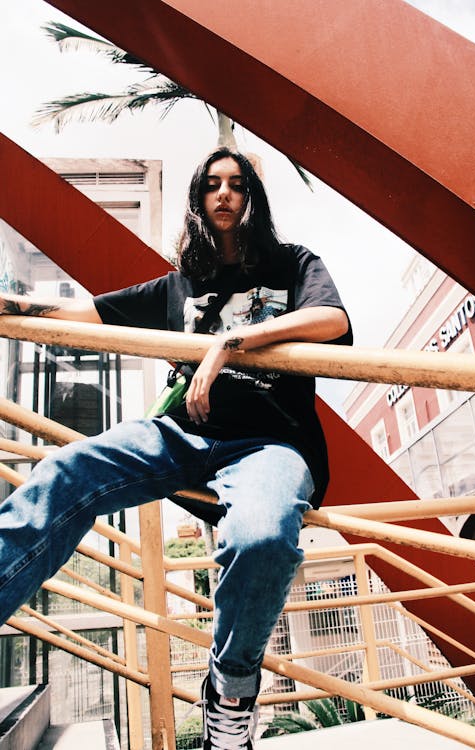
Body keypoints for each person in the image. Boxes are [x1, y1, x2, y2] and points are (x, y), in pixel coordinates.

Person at [0, 148, 352, 749]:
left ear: (252, 199)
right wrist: (9, 307)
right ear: (197, 199)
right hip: (183, 434)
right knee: (66, 469)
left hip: (271, 442)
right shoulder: (177, 287)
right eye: (211, 184)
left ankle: (231, 690)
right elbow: (80, 312)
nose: (224, 194)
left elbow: (332, 321)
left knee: (263, 536)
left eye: (237, 185)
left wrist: (231, 342)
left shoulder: (294, 265)